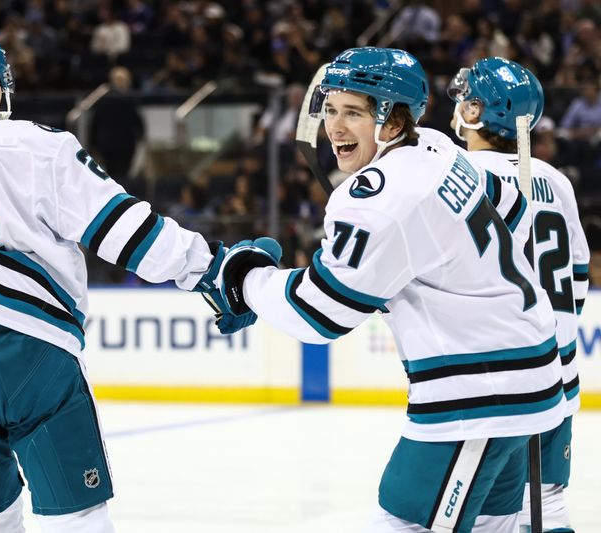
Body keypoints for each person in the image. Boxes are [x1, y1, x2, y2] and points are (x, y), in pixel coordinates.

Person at [0, 22, 252, 533]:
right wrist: (213, 269)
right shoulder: (39, 145)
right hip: (37, 355)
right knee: (79, 519)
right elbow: (127, 231)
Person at [210, 47, 566, 532]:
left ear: (394, 122)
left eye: (353, 112)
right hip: (530, 378)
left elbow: (318, 315)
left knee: (402, 522)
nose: (335, 126)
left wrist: (246, 279)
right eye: (331, 109)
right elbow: (513, 211)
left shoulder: (380, 195)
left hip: (477, 396)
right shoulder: (438, 146)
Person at [448, 56, 591, 533]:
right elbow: (577, 276)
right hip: (558, 370)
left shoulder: (455, 174)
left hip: (494, 379)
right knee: (547, 508)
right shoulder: (557, 180)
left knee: (483, 515)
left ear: (476, 111)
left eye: (465, 97)